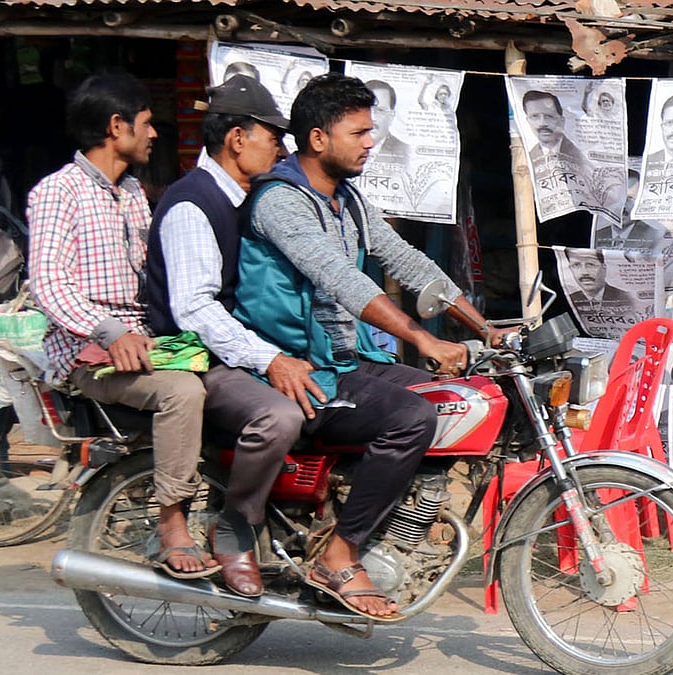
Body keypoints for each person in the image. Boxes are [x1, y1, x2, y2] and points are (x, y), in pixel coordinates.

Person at [238, 73, 498, 619]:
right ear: (317, 138)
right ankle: (340, 553)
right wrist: (420, 336)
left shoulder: (347, 202)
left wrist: (484, 329)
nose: (369, 142)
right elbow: (342, 279)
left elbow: (408, 262)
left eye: (370, 131)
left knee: (452, 396)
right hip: (300, 371)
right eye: (358, 132)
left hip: (347, 359)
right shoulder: (281, 202)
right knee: (409, 418)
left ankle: (388, 526)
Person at [27, 73, 215, 580]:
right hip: (86, 353)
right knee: (182, 394)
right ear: (117, 127)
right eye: (147, 124)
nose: (154, 135)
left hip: (142, 341)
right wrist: (109, 330)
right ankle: (172, 522)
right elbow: (48, 283)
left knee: (237, 372)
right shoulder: (56, 192)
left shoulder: (133, 191)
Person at [144, 76, 303, 597]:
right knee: (279, 416)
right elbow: (195, 309)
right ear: (237, 139)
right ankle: (234, 529)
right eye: (272, 136)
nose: (280, 149)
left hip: (228, 352)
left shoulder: (240, 197)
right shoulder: (195, 203)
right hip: (196, 357)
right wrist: (269, 358)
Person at [564, 247, 647, 337]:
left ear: (604, 268)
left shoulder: (627, 297)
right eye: (576, 265)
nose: (584, 272)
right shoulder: (570, 298)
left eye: (591, 264)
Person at [594, 168, 673, 255]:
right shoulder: (597, 235)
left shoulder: (655, 236)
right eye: (617, 198)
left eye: (630, 198)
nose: (622, 206)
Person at [521, 90, 587, 165]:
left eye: (549, 116)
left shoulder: (582, 154)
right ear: (528, 120)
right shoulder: (527, 157)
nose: (542, 123)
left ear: (562, 121)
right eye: (535, 116)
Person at [362, 80, 411, 168]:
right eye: (366, 109)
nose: (372, 117)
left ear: (391, 117)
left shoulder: (406, 153)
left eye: (380, 110)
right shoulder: (339, 146)